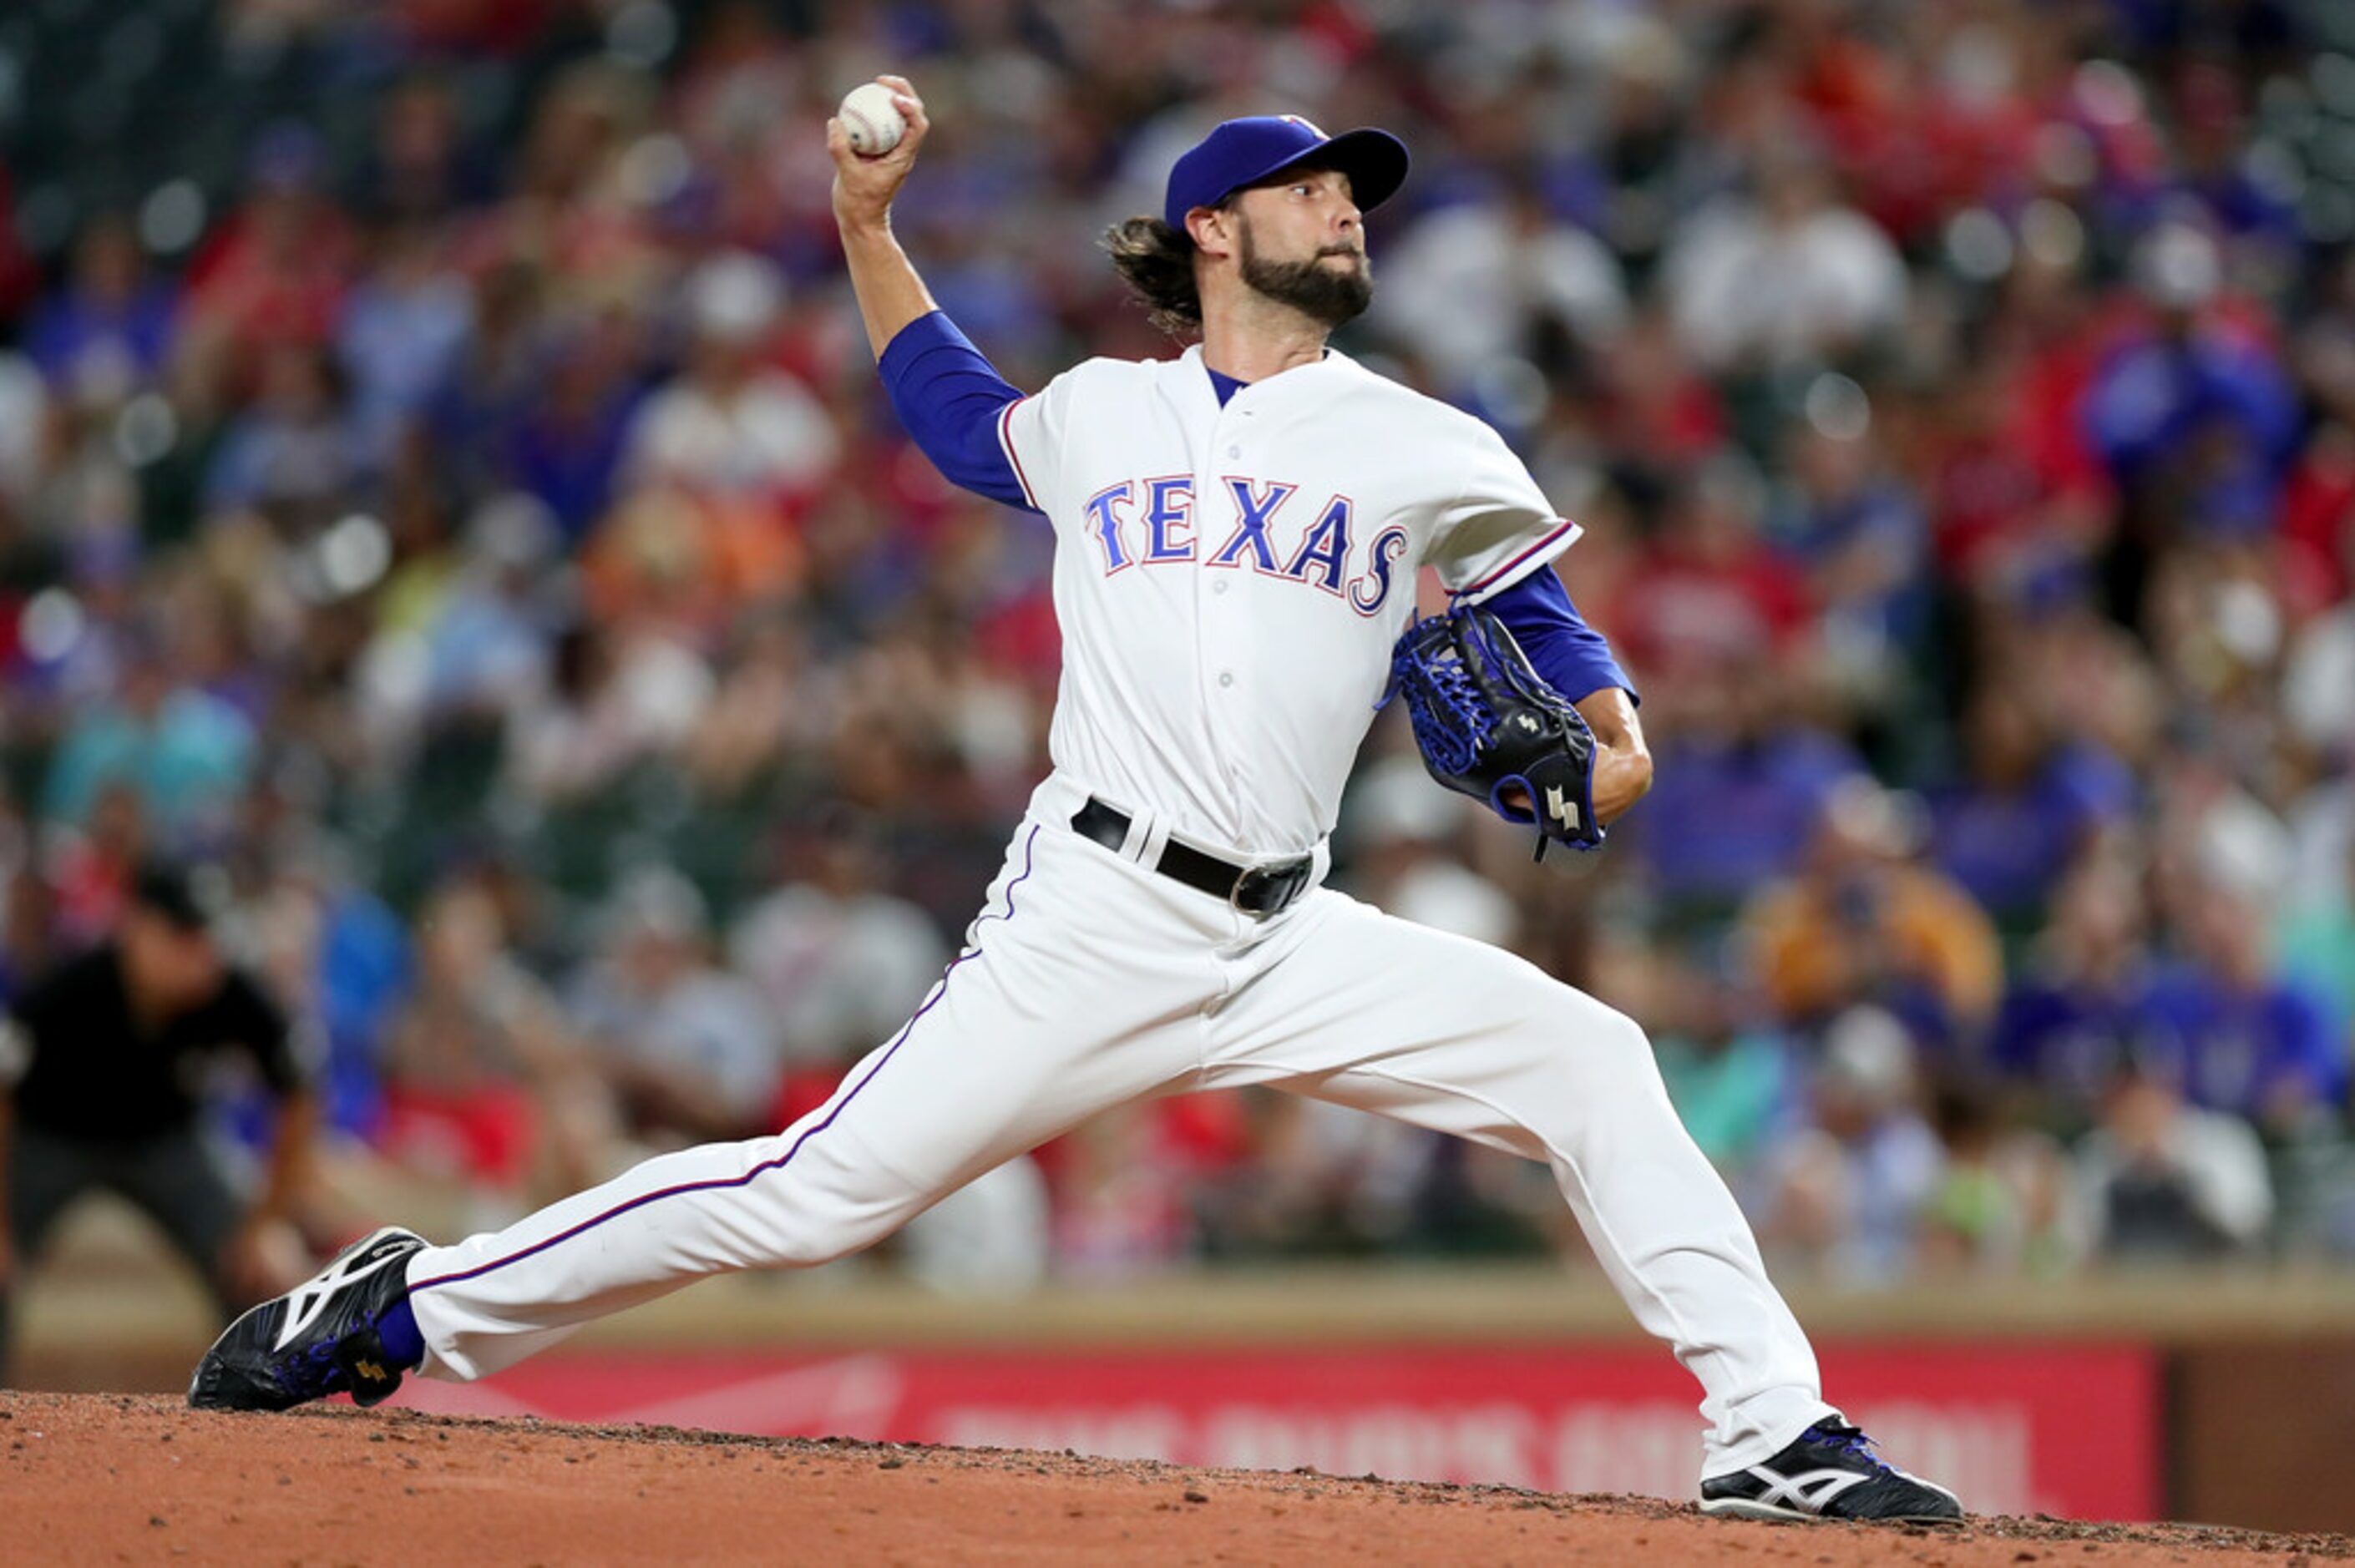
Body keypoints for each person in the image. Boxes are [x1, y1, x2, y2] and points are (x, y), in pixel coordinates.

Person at [190, 79, 1961, 1525]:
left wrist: (1618, 737)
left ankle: (1772, 1433)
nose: (1352, 209)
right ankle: (404, 1304)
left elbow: (1538, 615)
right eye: (1314, 188)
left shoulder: (1424, 440)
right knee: (815, 1195)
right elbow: (950, 409)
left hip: (1291, 932)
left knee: (1593, 1061)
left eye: (1361, 191)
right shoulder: (1103, 414)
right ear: (1213, 227)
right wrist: (867, 234)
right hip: (1095, 920)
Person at [2, 861, 317, 1373]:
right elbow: (4, 1091)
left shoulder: (231, 992)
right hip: (51, 1141)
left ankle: (270, 1414)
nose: (201, 956)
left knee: (264, 1273)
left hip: (168, 1144)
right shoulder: (70, 988)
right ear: (139, 931)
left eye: (208, 938)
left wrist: (268, 1221)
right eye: (183, 937)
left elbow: (302, 1089)